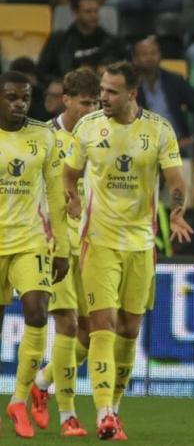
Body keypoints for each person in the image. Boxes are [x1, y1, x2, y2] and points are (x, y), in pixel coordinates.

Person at [63, 61, 194, 440]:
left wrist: (180, 211)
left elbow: (175, 181)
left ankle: (111, 407)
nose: (103, 97)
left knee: (129, 329)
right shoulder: (88, 127)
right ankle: (104, 412)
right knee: (102, 325)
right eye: (102, 89)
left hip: (140, 245)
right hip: (99, 241)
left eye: (112, 91)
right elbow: (70, 173)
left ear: (132, 94)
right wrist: (72, 197)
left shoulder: (157, 130)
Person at [29, 68, 100, 438]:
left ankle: (41, 382)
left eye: (96, 103)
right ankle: (67, 415)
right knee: (68, 325)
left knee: (91, 334)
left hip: (92, 244)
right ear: (66, 99)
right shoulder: (42, 137)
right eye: (85, 103)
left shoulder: (101, 137)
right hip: (54, 244)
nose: (91, 110)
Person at [0, 71, 69, 438]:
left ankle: (18, 400)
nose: (19, 104)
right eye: (11, 97)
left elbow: (57, 195)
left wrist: (63, 246)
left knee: (38, 312)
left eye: (24, 97)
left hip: (30, 241)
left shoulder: (44, 136)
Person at [133, 36, 194, 156]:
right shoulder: (130, 85)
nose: (150, 57)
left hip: (178, 143)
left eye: (153, 53)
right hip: (143, 144)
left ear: (160, 56)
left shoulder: (174, 80)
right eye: (144, 54)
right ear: (135, 59)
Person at [37, 0, 127, 84]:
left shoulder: (112, 41)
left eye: (96, 11)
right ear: (75, 13)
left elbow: (124, 71)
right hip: (67, 91)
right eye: (88, 12)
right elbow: (42, 73)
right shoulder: (59, 41)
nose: (94, 16)